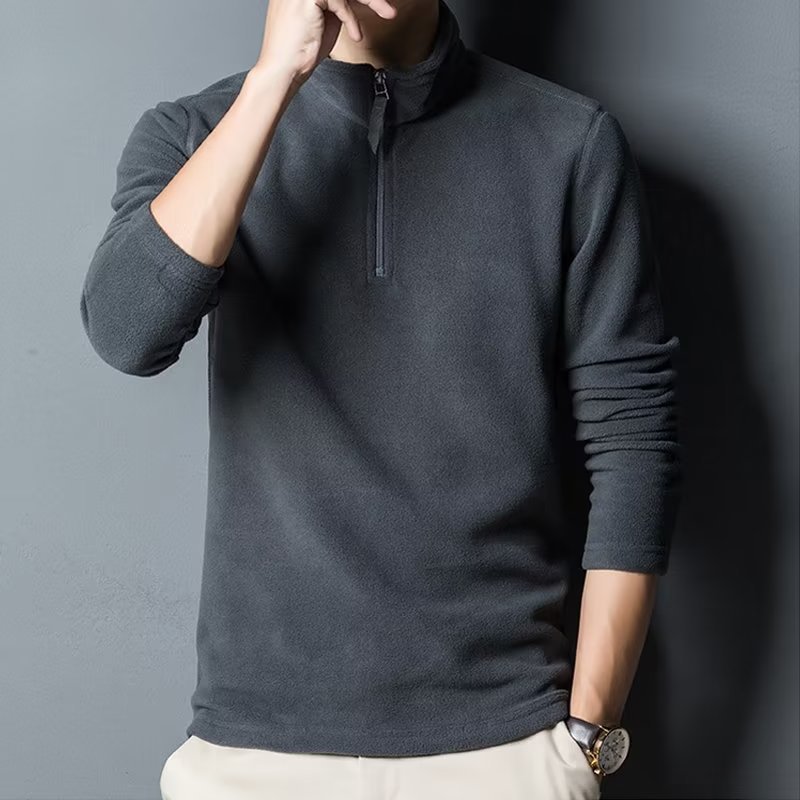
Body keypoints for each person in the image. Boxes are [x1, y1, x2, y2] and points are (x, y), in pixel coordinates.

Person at [79, 0, 682, 797]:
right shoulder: (195, 133)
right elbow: (127, 333)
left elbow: (634, 440)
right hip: (255, 751)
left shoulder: (570, 142)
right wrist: (274, 81)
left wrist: (584, 737)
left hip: (503, 745)